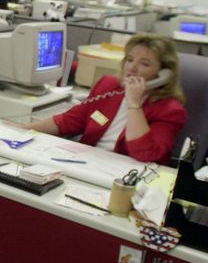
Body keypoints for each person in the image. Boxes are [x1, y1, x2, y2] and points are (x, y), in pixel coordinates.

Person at [24, 33, 186, 164]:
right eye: (129, 60)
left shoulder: (170, 111)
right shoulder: (109, 85)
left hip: (127, 176)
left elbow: (146, 154)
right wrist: (21, 130)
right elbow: (69, 121)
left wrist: (134, 103)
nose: (132, 68)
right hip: (87, 163)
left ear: (165, 73)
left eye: (144, 64)